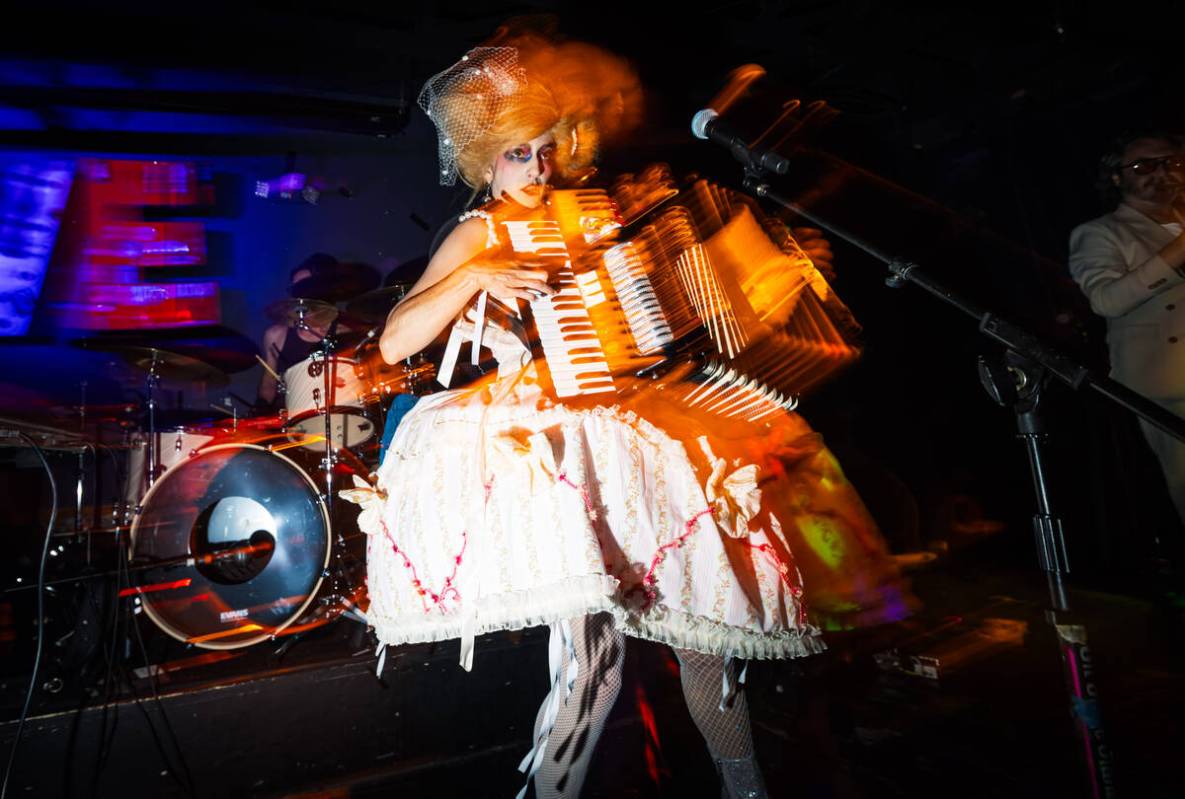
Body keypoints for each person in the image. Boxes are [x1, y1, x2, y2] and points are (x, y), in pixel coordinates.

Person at [344, 38, 899, 798]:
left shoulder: (607, 212)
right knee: (591, 655)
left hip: (648, 440)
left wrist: (771, 280)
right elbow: (399, 336)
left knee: (705, 644)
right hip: (562, 455)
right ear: (484, 163)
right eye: (515, 155)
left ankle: (747, 790)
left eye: (544, 151)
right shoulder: (480, 232)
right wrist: (474, 273)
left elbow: (687, 306)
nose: (536, 170)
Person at [1069, 132, 1185, 526]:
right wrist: (1177, 252)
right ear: (1117, 178)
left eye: (1171, 162)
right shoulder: (1101, 233)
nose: (1162, 173)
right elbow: (1106, 300)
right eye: (1143, 166)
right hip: (1170, 386)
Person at [256, 252, 340, 408]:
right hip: (293, 420)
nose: (300, 293)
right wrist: (260, 410)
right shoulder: (276, 336)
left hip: (338, 414)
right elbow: (268, 385)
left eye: (305, 286)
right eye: (295, 288)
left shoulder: (343, 332)